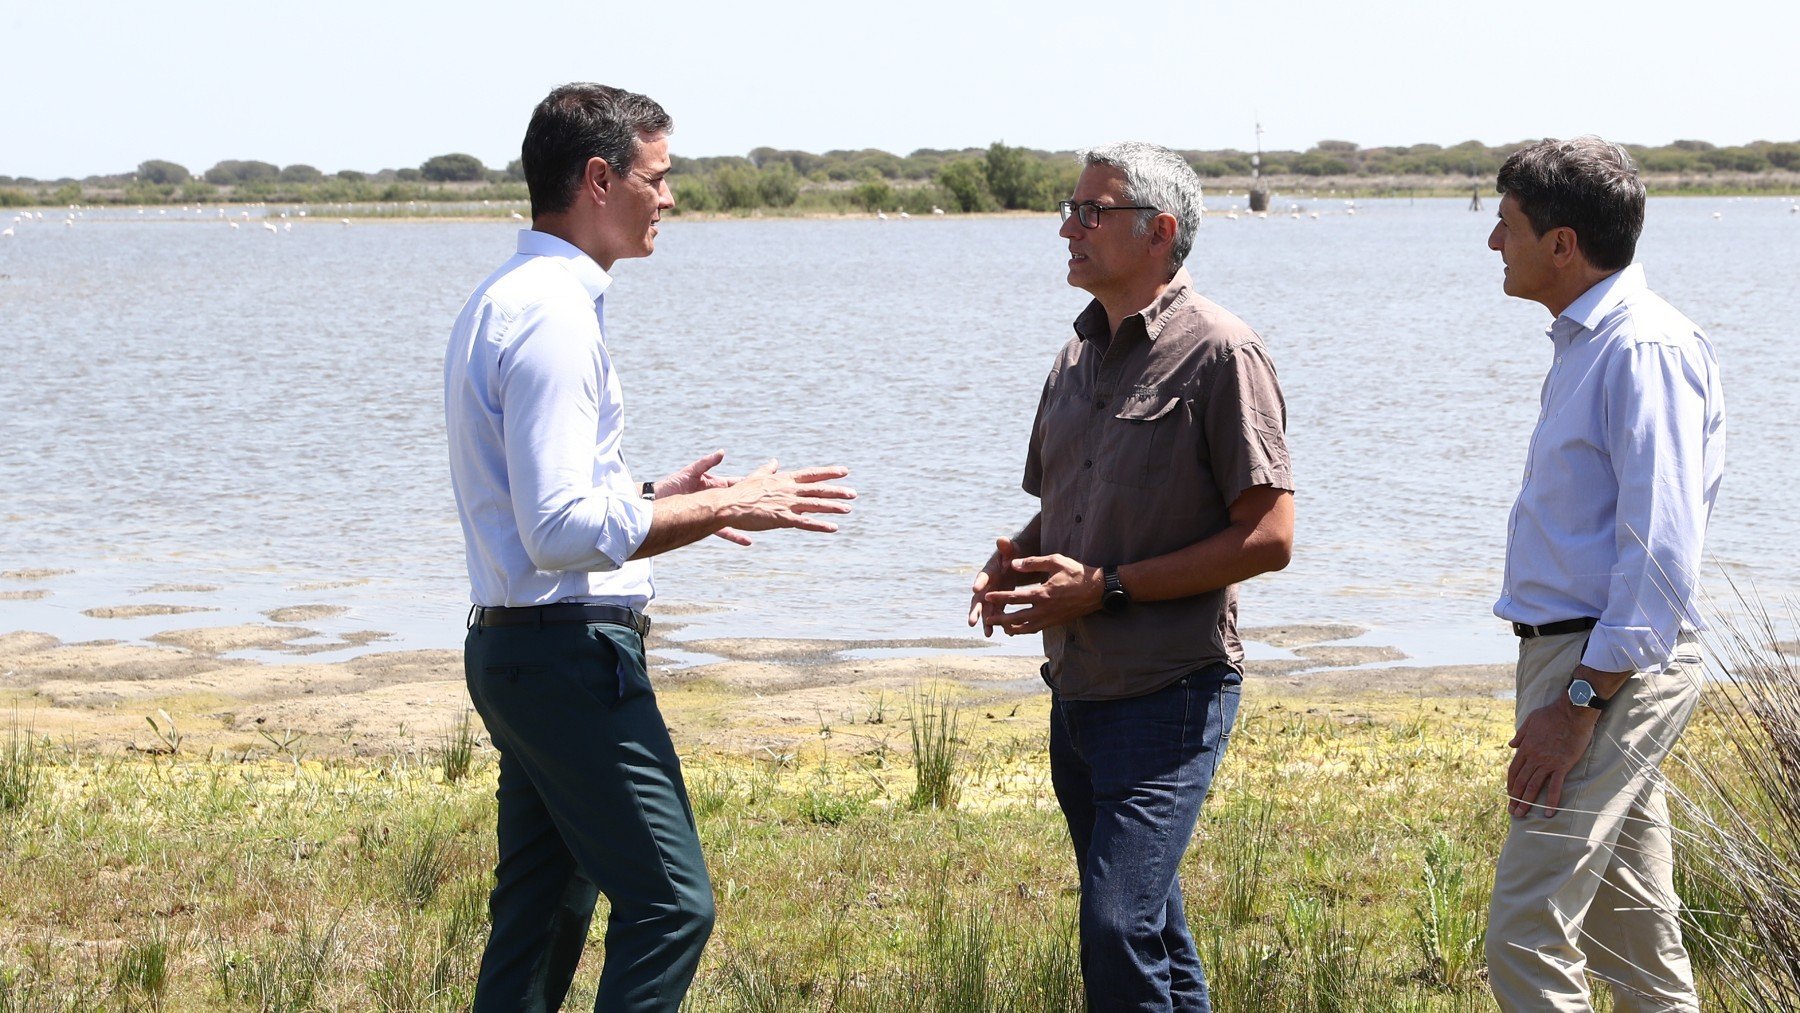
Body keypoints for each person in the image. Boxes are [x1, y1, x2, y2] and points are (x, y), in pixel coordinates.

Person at [444, 83, 855, 1012]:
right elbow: (556, 532)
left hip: (518, 649)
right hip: (565, 656)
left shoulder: (508, 296)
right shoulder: (553, 315)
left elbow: (539, 505)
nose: (669, 199)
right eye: (657, 177)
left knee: (542, 911)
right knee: (671, 904)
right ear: (600, 178)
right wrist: (726, 508)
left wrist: (651, 496)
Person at [968, 141, 1294, 1013]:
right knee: (1149, 925)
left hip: (1171, 689)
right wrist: (1015, 560)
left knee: (1116, 926)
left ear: (1159, 231)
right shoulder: (1074, 360)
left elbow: (1267, 538)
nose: (1067, 228)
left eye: (1090, 212)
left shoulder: (1223, 353)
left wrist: (1105, 588)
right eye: (1069, 209)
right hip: (1078, 691)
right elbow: (1068, 509)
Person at [1483, 136, 1724, 1012]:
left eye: (1504, 224)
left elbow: (1660, 555)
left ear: (1563, 242)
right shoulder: (1592, 341)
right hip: (1581, 660)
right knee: (1634, 939)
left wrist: (1579, 703)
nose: (1491, 243)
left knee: (1524, 932)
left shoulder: (1642, 348)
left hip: (1603, 669)